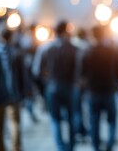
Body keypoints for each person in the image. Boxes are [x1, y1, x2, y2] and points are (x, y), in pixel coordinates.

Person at [32, 21, 78, 151]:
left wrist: (45, 79)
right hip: (69, 87)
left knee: (55, 118)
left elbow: (36, 70)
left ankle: (60, 147)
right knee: (71, 117)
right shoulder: (74, 48)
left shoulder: (45, 48)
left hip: (52, 87)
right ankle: (71, 146)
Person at [79, 25, 118, 151]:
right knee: (112, 120)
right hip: (109, 89)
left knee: (94, 120)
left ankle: (96, 146)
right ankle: (110, 144)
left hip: (92, 91)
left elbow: (81, 73)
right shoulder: (111, 51)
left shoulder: (87, 52)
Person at [0, 22, 24, 151]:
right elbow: (22, 76)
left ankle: (1, 148)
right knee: (14, 124)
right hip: (14, 95)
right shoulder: (17, 53)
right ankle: (16, 148)